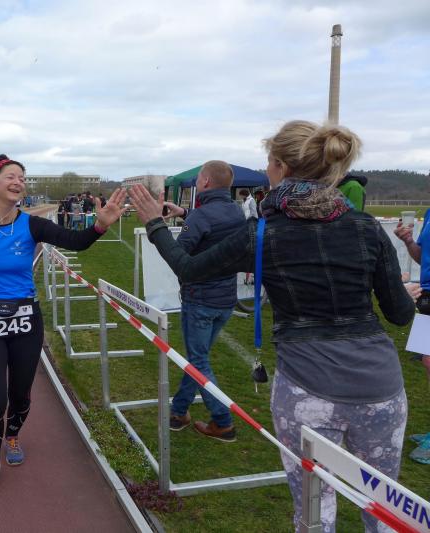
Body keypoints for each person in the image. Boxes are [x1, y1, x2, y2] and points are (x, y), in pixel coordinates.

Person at [129, 120, 419, 533]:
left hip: (307, 387)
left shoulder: (263, 232)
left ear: (280, 167)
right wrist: (404, 292)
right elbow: (399, 314)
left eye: (268, 163)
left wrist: (155, 224)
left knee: (315, 514)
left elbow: (189, 269)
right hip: (380, 387)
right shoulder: (366, 227)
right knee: (386, 510)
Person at [0, 155, 127, 495]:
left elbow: (76, 241)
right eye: (11, 176)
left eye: (22, 177)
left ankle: (13, 436)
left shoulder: (33, 226)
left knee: (19, 395)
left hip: (26, 322)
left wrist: (99, 226)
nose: (18, 182)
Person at [158, 161, 246, 442]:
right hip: (225, 300)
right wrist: (185, 213)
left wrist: (160, 226)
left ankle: (223, 422)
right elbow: (213, 225)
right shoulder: (236, 210)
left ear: (206, 182)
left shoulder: (201, 216)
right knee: (198, 359)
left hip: (200, 301)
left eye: (198, 178)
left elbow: (178, 255)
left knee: (197, 362)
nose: (196, 182)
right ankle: (178, 412)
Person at [394, 187, 430, 464]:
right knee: (427, 363)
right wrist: (407, 240)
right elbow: (422, 257)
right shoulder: (429, 213)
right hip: (427, 295)